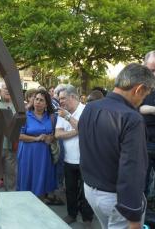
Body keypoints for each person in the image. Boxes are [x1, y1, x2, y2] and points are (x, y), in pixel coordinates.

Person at [79, 63, 155, 229]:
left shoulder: (90, 107)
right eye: (145, 95)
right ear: (139, 89)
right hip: (117, 199)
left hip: (91, 191)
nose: (142, 100)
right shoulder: (132, 118)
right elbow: (133, 170)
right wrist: (134, 216)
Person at [55, 84, 93, 227]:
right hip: (68, 159)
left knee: (86, 192)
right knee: (70, 190)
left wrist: (69, 118)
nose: (61, 102)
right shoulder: (62, 113)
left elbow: (87, 129)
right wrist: (77, 131)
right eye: (59, 99)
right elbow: (57, 134)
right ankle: (72, 214)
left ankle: (87, 219)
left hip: (85, 160)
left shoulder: (86, 110)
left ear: (73, 97)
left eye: (63, 98)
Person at [17, 89, 59, 202]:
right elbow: (18, 136)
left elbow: (55, 134)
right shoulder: (25, 115)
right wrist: (36, 138)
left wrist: (51, 138)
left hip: (44, 156)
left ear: (46, 104)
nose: (38, 102)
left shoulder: (51, 117)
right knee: (26, 184)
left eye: (41, 100)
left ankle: (39, 209)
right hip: (27, 154)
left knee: (41, 186)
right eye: (36, 99)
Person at [140, 50, 155, 198]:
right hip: (143, 141)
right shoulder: (139, 85)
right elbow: (131, 107)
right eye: (151, 70)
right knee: (141, 184)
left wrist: (148, 109)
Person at [0, 83, 16, 190]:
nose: (8, 90)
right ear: (1, 90)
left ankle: (11, 196)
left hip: (11, 146)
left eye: (10, 88)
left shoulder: (18, 105)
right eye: (5, 88)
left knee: (11, 175)